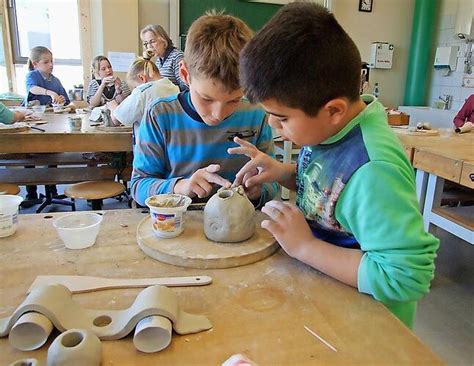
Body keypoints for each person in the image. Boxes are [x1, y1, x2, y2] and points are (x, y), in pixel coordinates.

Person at [229, 3, 439, 328]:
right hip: (325, 299)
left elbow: (405, 278)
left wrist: (305, 246)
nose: (271, 125)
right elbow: (335, 195)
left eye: (282, 117)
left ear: (334, 110)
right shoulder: (331, 131)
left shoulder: (373, 169)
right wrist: (285, 174)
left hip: (368, 328)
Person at [131, 11, 278, 207]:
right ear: (185, 75)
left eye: (234, 100)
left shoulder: (255, 115)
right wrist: (180, 187)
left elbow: (272, 180)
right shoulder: (160, 115)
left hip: (238, 226)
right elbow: (139, 186)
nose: (218, 114)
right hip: (178, 225)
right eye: (206, 98)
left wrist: (259, 190)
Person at [107, 52, 179, 127]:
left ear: (142, 78)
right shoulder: (173, 87)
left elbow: (117, 120)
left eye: (135, 86)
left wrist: (113, 107)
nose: (135, 89)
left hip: (149, 138)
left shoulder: (142, 92)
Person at [140, 24, 188, 91]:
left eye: (152, 41)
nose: (149, 46)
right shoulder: (159, 61)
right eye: (146, 43)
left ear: (163, 40)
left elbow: (186, 86)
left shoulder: (177, 57)